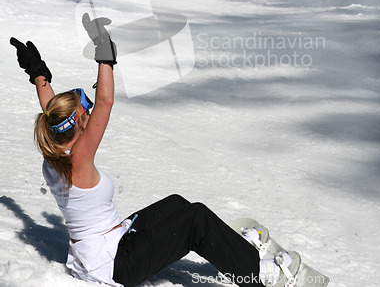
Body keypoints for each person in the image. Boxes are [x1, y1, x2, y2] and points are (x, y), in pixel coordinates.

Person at [10, 16, 299, 287]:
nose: (90, 114)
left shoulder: (55, 150)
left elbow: (53, 113)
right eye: (86, 112)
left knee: (176, 204)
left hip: (104, 250)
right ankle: (261, 275)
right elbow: (106, 101)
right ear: (79, 124)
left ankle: (233, 254)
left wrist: (37, 73)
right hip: (116, 265)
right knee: (194, 219)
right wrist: (104, 54)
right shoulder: (79, 159)